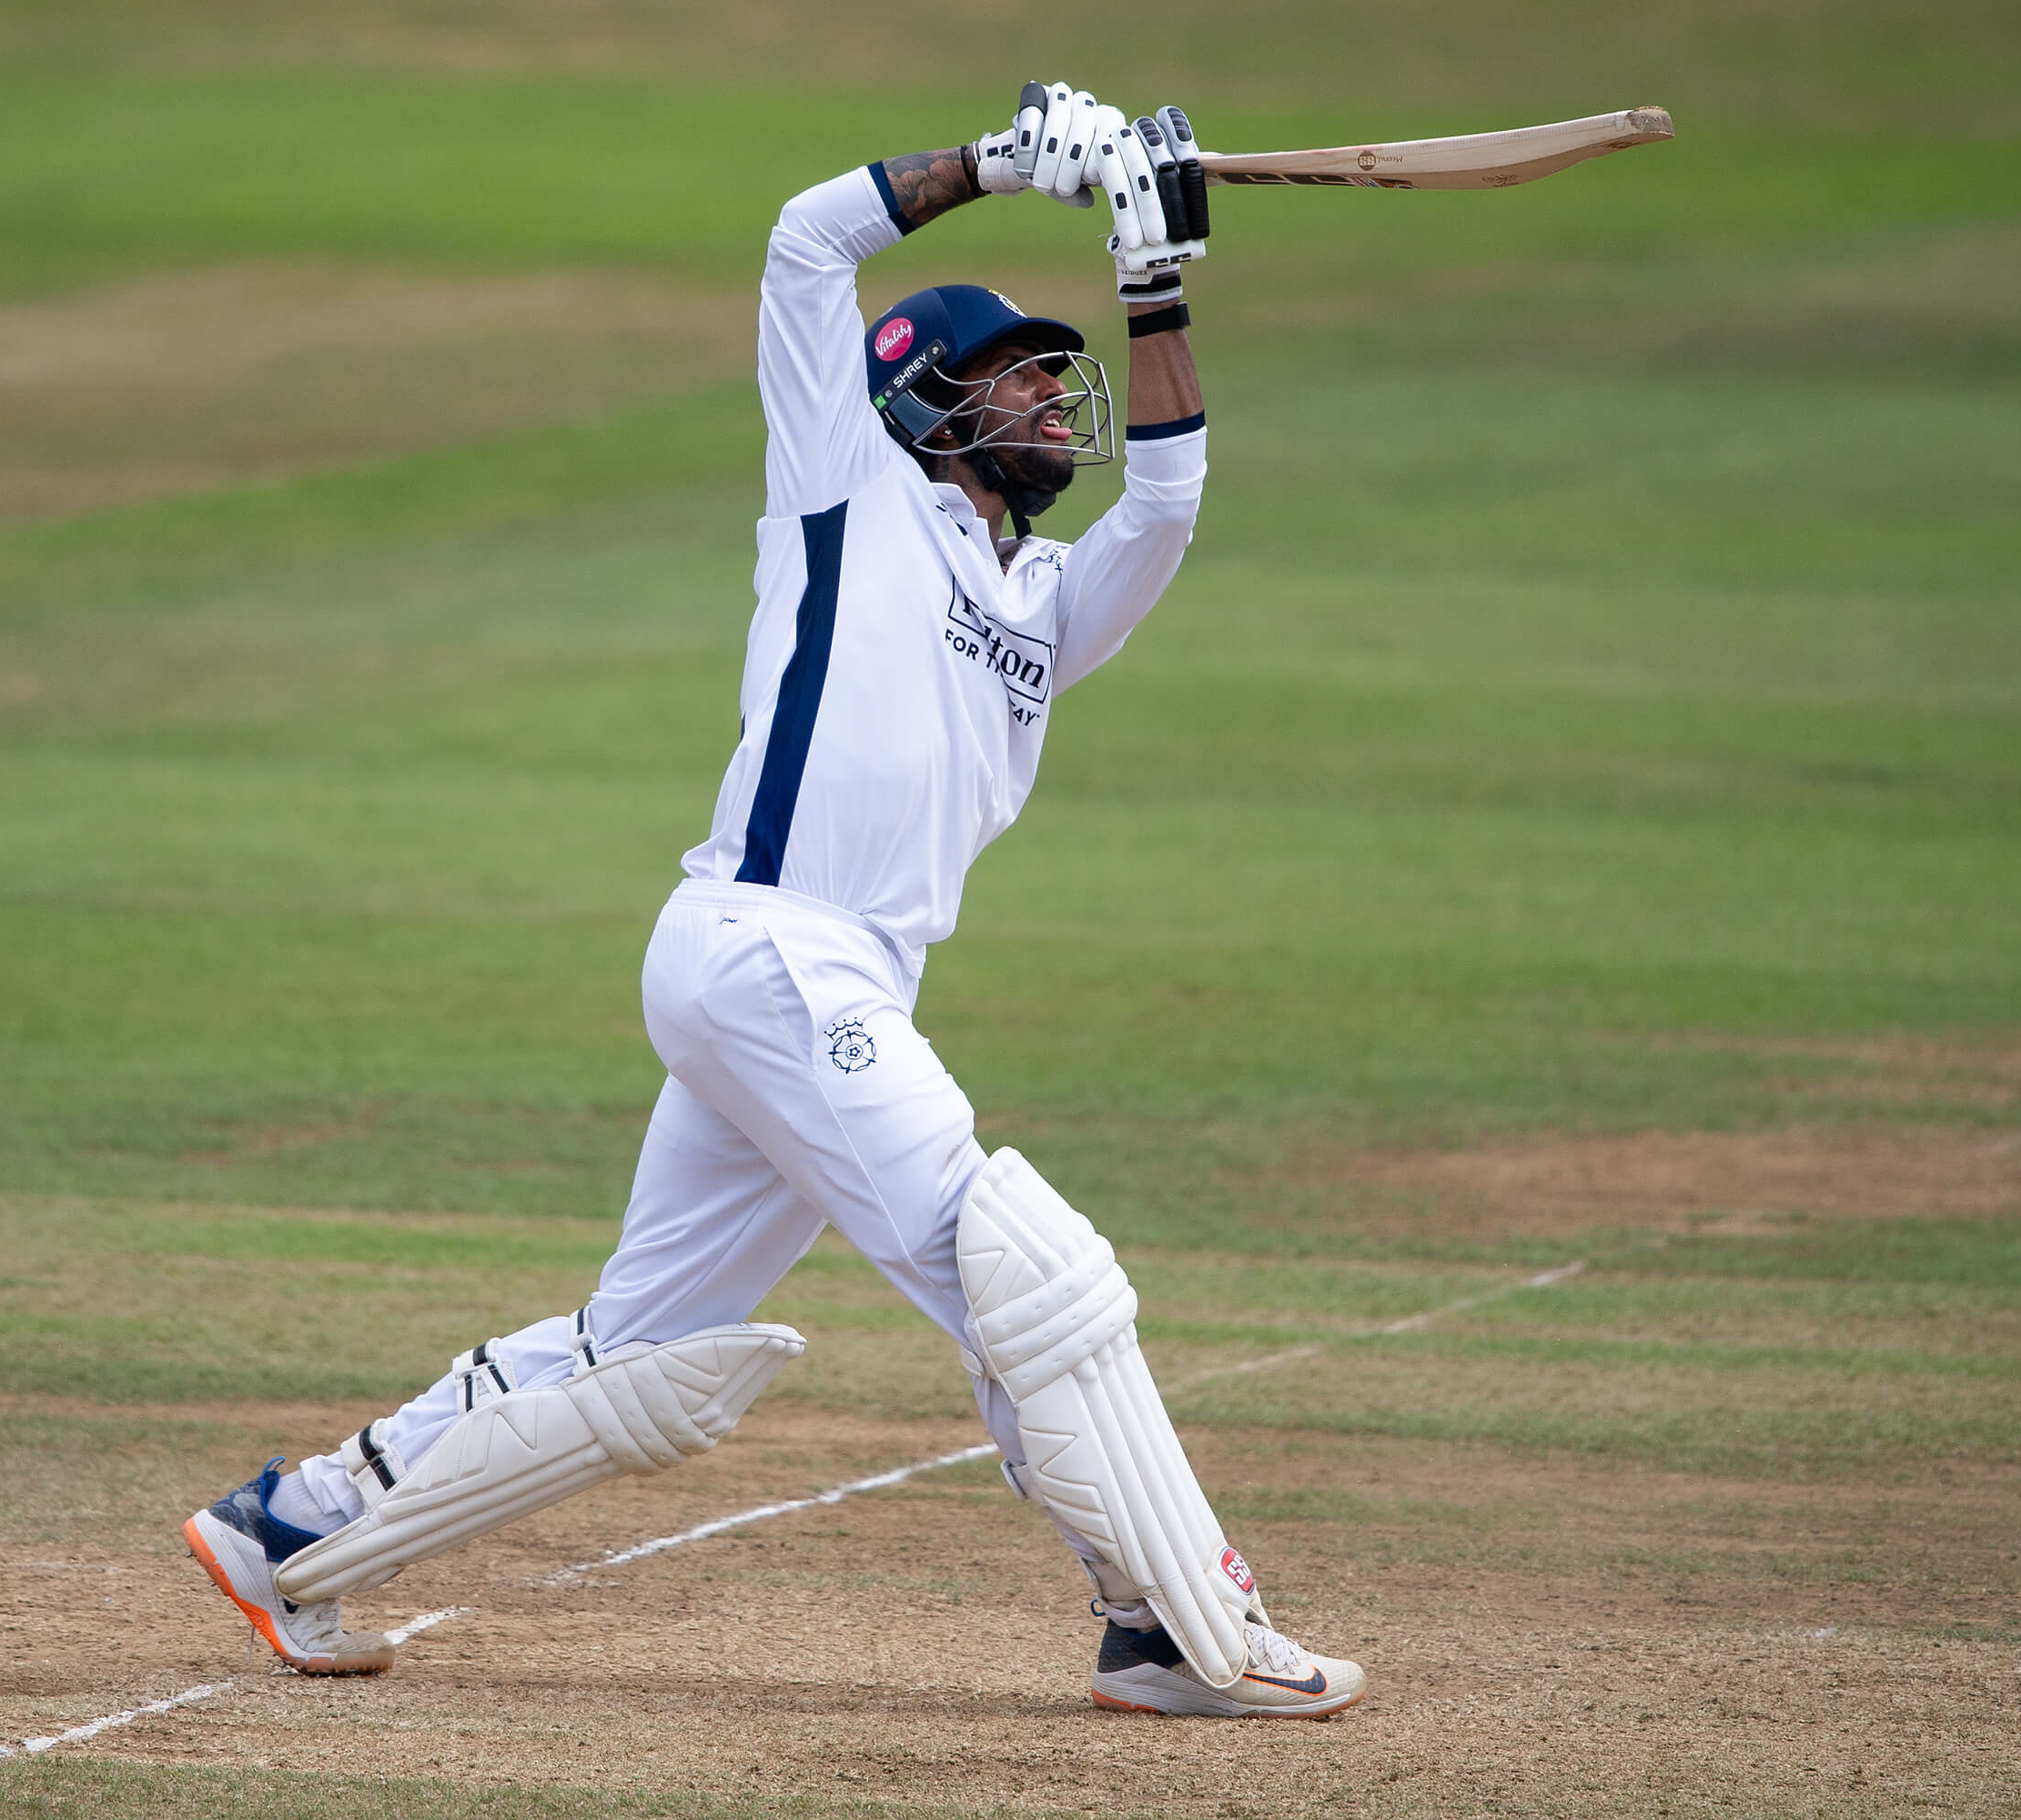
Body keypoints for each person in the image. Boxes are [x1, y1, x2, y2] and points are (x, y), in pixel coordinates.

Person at [185, 82, 1364, 1720]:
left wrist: (1152, 274)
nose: (1050, 394)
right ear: (928, 406)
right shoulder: (844, 487)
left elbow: (1164, 500)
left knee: (632, 1348)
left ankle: (287, 1526)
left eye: (1057, 369)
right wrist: (1003, 163)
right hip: (773, 951)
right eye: (1020, 371)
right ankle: (1167, 1619)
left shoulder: (1042, 602)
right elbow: (806, 240)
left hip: (814, 984)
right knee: (1021, 1274)